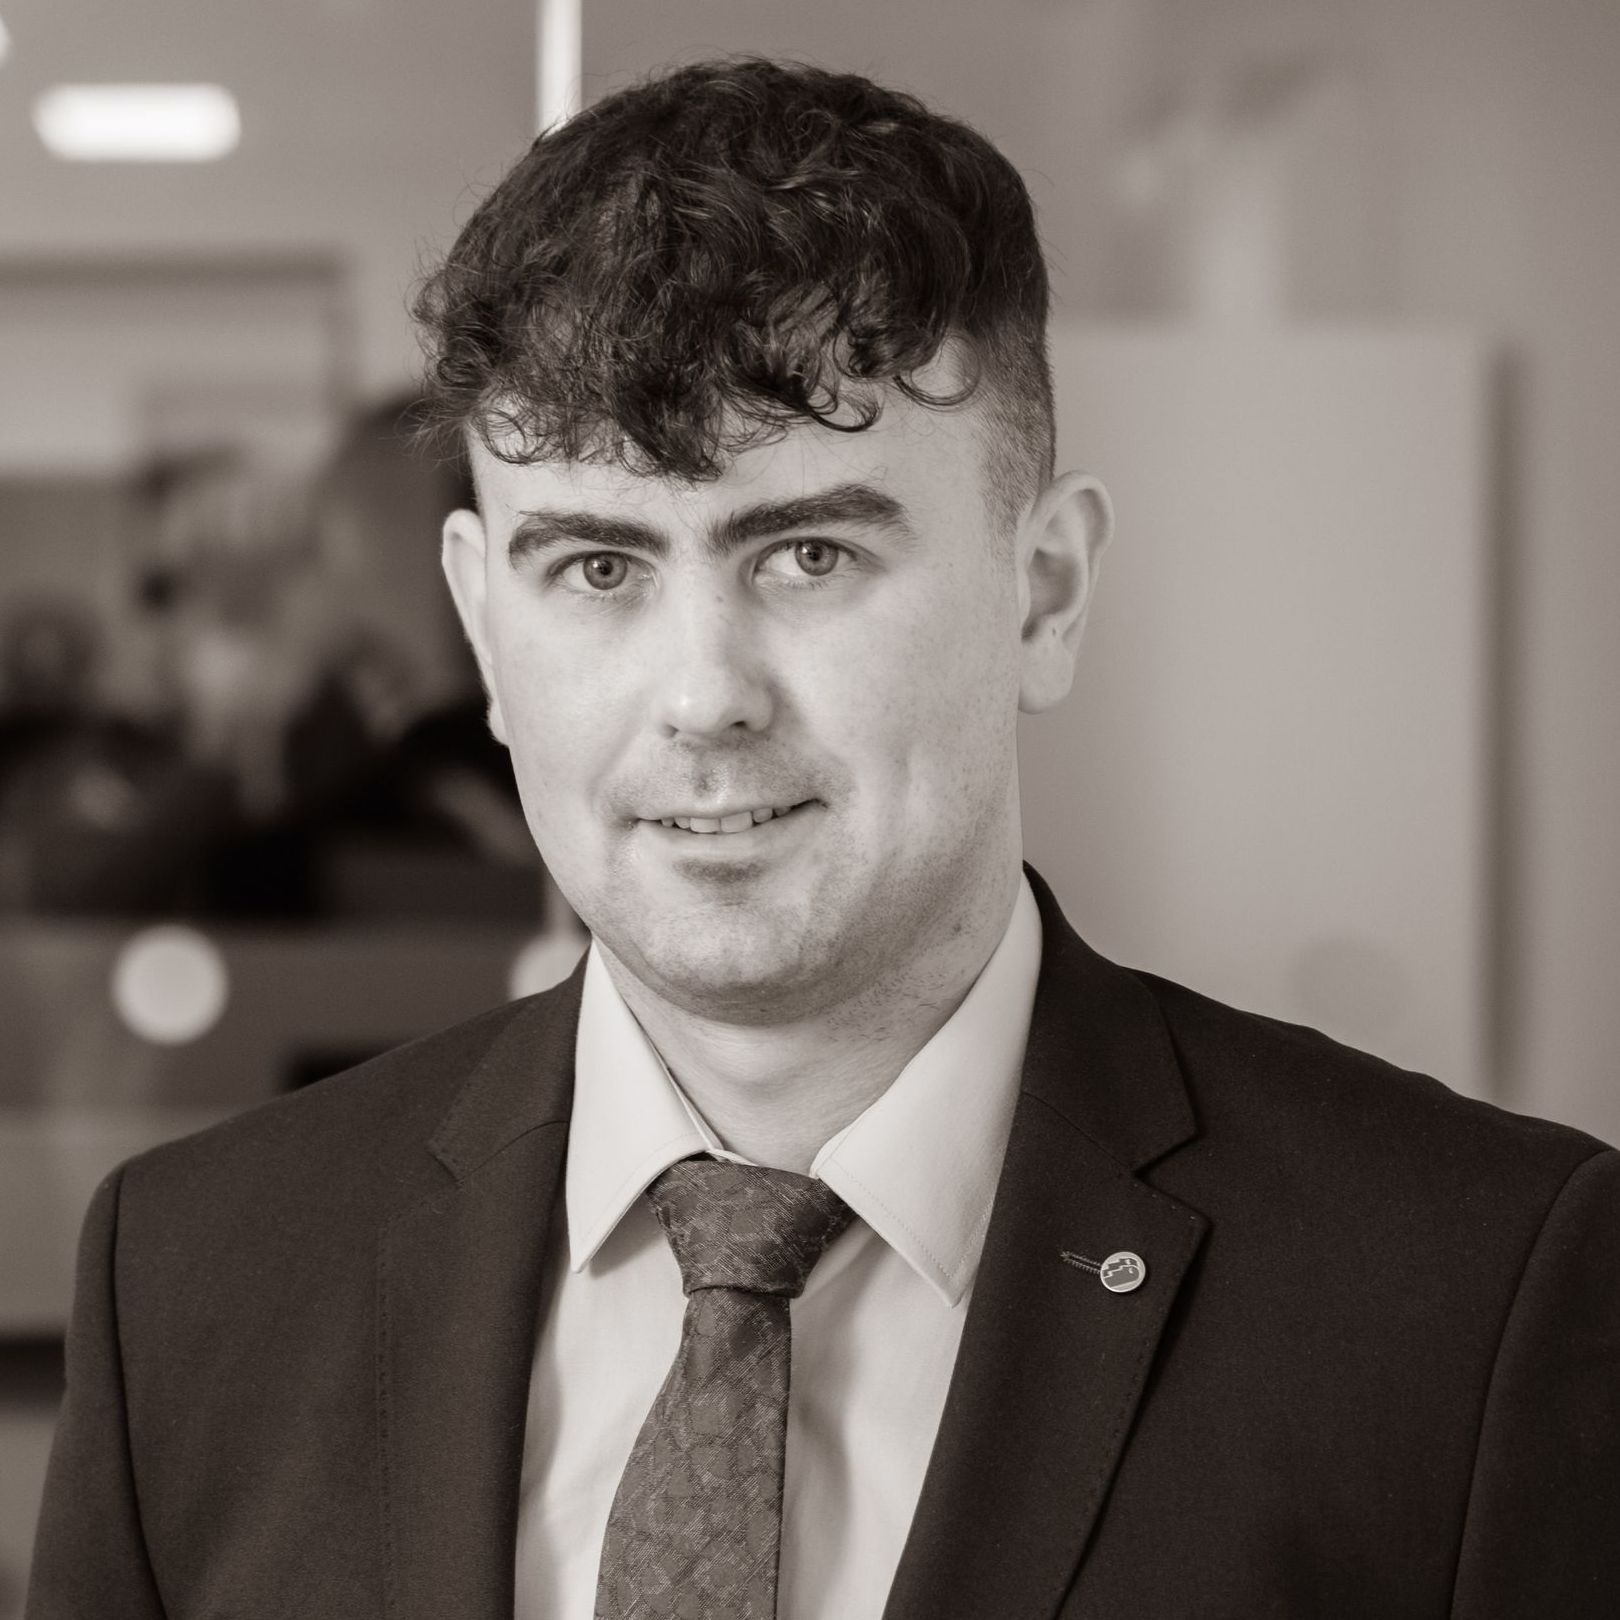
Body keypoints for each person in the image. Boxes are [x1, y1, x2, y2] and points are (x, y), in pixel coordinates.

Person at [27, 59, 1619, 1620]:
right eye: (596, 568)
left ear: (1045, 593)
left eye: (805, 554)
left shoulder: (1468, 1308)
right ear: (483, 629)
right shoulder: (193, 1283)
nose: (703, 698)